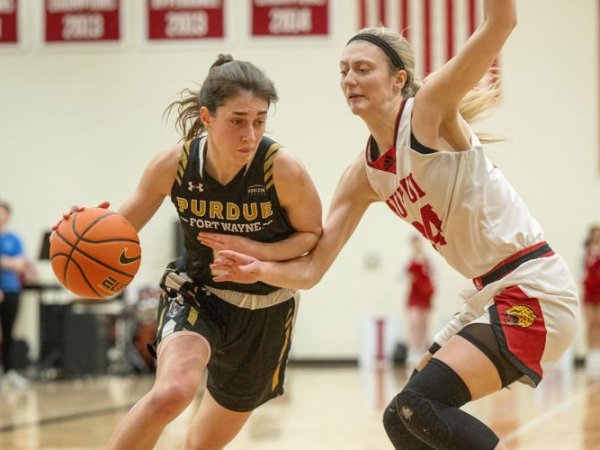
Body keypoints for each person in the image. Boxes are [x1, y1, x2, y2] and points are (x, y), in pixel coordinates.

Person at [207, 1, 580, 448]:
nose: (349, 79)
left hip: (535, 288)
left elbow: (502, 21)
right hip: (488, 294)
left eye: (363, 68)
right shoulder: (362, 175)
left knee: (422, 404)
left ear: (398, 79)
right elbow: (310, 269)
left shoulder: (429, 111)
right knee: (400, 418)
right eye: (343, 69)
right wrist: (260, 266)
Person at [54, 54, 322, 450]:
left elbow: (310, 237)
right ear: (207, 117)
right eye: (237, 120)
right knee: (172, 393)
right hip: (198, 293)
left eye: (260, 120)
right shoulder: (173, 165)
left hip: (267, 308)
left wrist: (255, 253)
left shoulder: (282, 170)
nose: (250, 134)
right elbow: (118, 228)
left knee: (202, 445)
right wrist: (81, 227)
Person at [0, 200, 30, 389]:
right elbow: (14, 263)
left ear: (8, 216)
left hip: (12, 290)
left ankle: (9, 371)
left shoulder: (14, 239)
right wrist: (9, 262)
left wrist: (4, 261)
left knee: (9, 332)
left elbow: (21, 265)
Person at [403, 234, 435, 367]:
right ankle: (412, 350)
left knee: (424, 323)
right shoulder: (408, 260)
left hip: (425, 294)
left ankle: (423, 350)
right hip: (414, 294)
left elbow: (433, 275)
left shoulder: (428, 260)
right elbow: (402, 276)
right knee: (414, 322)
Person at [583, 225, 600, 366]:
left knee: (598, 323)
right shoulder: (585, 252)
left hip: (599, 289)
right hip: (589, 289)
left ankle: (597, 352)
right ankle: (590, 352)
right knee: (590, 323)